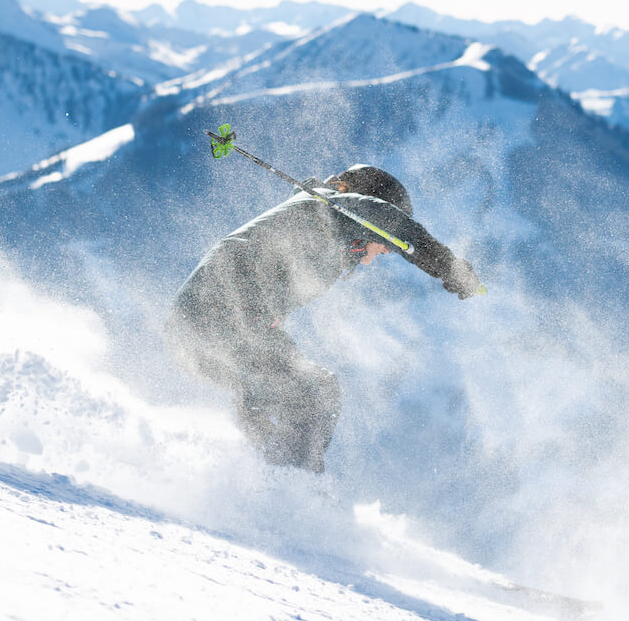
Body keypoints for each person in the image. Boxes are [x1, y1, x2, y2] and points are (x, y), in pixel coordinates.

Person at [165, 164, 482, 472]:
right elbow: (393, 222)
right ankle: (290, 486)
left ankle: (257, 477)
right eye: (385, 244)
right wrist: (449, 267)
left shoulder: (322, 230)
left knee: (284, 397)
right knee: (317, 394)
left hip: (196, 333)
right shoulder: (333, 208)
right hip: (219, 318)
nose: (386, 251)